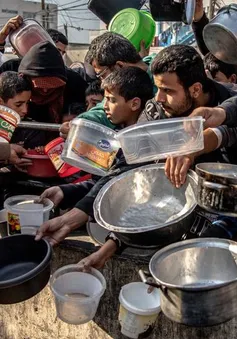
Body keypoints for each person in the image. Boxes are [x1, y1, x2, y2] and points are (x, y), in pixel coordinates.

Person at [35, 67, 154, 246]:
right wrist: (65, 191)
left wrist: (69, 219)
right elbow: (102, 180)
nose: (104, 106)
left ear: (135, 104)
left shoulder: (143, 142)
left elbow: (115, 184)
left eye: (112, 100)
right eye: (105, 99)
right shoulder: (117, 134)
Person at [59, 32, 157, 137]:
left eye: (102, 75)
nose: (102, 83)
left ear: (119, 66)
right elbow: (102, 112)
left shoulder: (165, 75)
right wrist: (81, 123)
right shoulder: (117, 93)